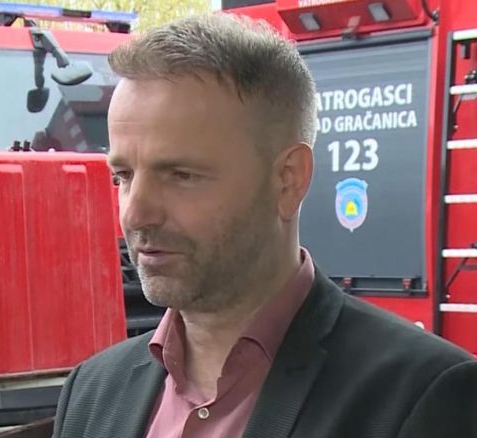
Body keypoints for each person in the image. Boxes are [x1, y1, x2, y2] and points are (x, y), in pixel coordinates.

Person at [52, 13, 477, 438]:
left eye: (180, 175)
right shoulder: (91, 392)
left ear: (288, 179)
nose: (135, 214)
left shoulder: (420, 397)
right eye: (122, 176)